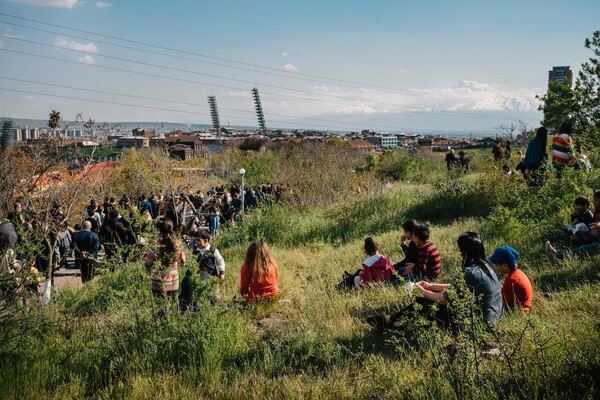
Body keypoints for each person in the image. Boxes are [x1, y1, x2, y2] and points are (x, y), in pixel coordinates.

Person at [370, 232, 502, 330]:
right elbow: (457, 287)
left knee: (423, 303)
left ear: (464, 251)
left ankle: (390, 321)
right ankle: (395, 321)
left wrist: (421, 290)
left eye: (460, 250)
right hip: (493, 319)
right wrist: (431, 286)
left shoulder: (469, 272)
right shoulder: (488, 267)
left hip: (476, 325)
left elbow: (443, 299)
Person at [145, 217, 184, 297]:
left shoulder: (155, 246)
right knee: (169, 305)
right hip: (173, 282)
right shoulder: (177, 245)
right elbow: (183, 262)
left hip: (158, 282)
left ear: (158, 230)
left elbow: (148, 264)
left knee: (159, 305)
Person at [489, 246, 532, 313]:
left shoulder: (512, 280)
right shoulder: (518, 273)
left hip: (518, 314)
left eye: (496, 265)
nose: (495, 267)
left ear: (505, 266)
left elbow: (504, 305)